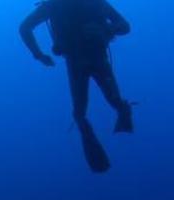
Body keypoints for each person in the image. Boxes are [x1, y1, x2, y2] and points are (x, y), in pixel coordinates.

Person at [20, 0, 132, 172]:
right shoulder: (54, 5)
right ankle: (97, 148)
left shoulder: (93, 3)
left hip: (92, 59)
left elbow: (124, 26)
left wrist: (106, 30)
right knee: (80, 112)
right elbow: (24, 28)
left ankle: (122, 113)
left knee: (104, 105)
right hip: (79, 61)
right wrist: (39, 55)